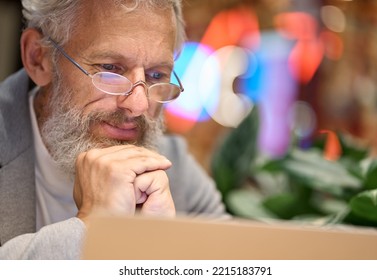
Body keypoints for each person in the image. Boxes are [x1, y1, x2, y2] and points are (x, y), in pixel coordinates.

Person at [0, 0, 227, 259]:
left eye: (156, 76)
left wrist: (160, 247)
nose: (138, 105)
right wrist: (91, 229)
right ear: (38, 59)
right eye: (110, 69)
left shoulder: (173, 167)